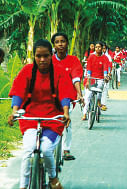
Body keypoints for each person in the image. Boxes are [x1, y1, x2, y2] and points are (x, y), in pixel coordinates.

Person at [8, 39, 75, 189]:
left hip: (53, 118)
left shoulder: (58, 72)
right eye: (39, 56)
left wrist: (65, 112)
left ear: (51, 55)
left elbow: (64, 94)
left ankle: (53, 178)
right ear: (34, 56)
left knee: (46, 149)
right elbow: (19, 91)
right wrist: (14, 111)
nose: (42, 59)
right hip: (30, 118)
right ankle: (23, 186)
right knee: (27, 150)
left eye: (45, 55)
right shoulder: (27, 70)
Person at [51, 32, 84, 161]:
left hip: (67, 98)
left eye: (63, 41)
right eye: (57, 42)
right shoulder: (48, 59)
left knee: (66, 122)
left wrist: (80, 95)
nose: (60, 44)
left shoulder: (73, 60)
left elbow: (76, 79)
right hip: (50, 98)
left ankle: (66, 149)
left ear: (67, 43)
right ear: (54, 45)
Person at [82, 42, 109, 120]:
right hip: (91, 78)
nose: (98, 48)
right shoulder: (91, 57)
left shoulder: (105, 58)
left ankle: (99, 102)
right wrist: (88, 79)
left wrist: (105, 76)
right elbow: (89, 68)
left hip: (100, 78)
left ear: (102, 48)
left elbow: (105, 68)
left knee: (99, 93)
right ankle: (84, 113)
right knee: (87, 96)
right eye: (96, 47)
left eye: (99, 47)